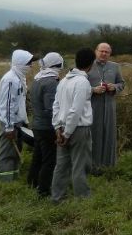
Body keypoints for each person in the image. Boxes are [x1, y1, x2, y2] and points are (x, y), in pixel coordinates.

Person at [51, 48, 96, 202]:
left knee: (61, 166)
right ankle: (83, 198)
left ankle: (57, 197)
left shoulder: (63, 80)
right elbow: (75, 111)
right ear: (91, 64)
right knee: (79, 165)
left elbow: (56, 106)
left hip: (62, 128)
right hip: (77, 130)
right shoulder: (83, 82)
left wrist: (58, 128)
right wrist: (67, 133)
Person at [0, 49, 38, 181]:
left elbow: (19, 104)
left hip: (18, 123)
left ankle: (13, 180)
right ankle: (4, 185)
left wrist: (24, 121)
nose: (31, 66)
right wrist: (9, 127)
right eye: (28, 63)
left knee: (15, 152)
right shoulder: (10, 80)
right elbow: (7, 105)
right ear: (20, 63)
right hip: (10, 124)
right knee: (6, 153)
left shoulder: (19, 78)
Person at [27, 52, 63, 197]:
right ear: (57, 65)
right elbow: (51, 108)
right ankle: (44, 190)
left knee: (38, 156)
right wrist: (58, 126)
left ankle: (32, 182)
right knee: (49, 160)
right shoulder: (51, 82)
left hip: (37, 125)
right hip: (47, 127)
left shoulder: (37, 79)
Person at [87, 42, 125, 173]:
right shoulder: (88, 66)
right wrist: (93, 90)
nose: (103, 54)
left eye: (106, 52)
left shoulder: (115, 67)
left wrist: (114, 87)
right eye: (101, 51)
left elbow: (121, 83)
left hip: (109, 107)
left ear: (110, 54)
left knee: (108, 134)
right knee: (93, 134)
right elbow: (79, 86)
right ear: (96, 51)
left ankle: (108, 165)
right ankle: (91, 166)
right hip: (92, 107)